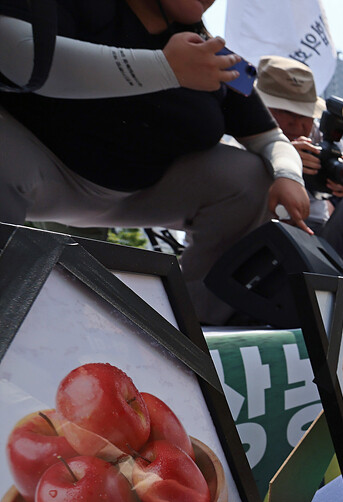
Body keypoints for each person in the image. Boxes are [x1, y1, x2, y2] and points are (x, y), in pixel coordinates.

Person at [0, 0, 310, 325]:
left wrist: (290, 175)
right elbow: (18, 57)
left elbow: (270, 138)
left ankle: (191, 323)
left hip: (141, 195)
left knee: (251, 175)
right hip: (40, 174)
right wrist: (164, 68)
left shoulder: (219, 56)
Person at [253, 55, 343, 281]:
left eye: (303, 115)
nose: (298, 124)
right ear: (265, 107)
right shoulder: (247, 128)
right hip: (260, 227)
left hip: (317, 233)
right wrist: (284, 159)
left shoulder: (318, 133)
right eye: (286, 112)